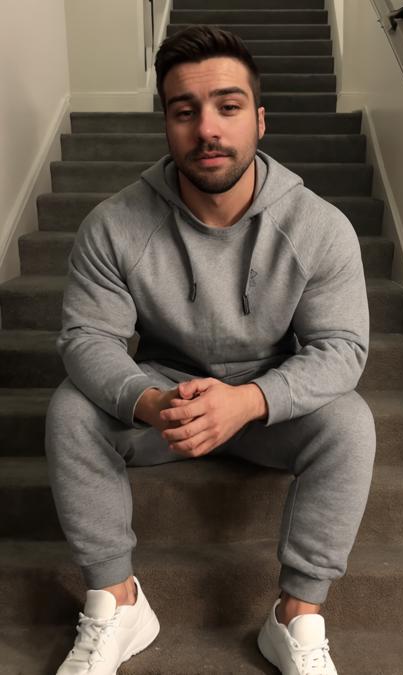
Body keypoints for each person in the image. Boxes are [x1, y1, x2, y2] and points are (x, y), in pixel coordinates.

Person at [45, 25, 376, 675]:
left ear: (259, 118)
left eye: (227, 106)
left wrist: (251, 399)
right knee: (70, 410)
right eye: (184, 110)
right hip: (166, 393)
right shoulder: (114, 225)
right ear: (166, 123)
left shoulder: (319, 227)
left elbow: (341, 348)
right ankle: (118, 601)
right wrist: (150, 399)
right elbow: (88, 337)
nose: (207, 129)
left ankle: (296, 615)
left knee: (352, 422)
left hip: (268, 398)